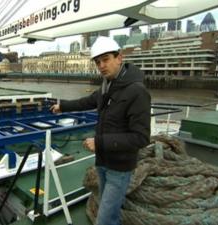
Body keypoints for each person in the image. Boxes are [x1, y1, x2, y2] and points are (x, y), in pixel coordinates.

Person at [50, 36, 151, 225]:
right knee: (110, 214)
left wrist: (99, 142)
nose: (101, 66)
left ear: (119, 58)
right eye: (98, 62)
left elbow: (141, 137)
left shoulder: (137, 91)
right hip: (103, 162)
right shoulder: (107, 87)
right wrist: (62, 106)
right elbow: (86, 102)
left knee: (104, 219)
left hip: (119, 168)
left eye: (106, 60)